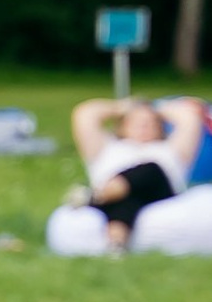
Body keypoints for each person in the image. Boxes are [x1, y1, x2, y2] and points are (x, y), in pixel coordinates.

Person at [67, 97, 206, 252]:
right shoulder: (107, 147)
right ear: (123, 125)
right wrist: (121, 107)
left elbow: (189, 118)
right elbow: (85, 114)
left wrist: (156, 107)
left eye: (150, 122)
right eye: (136, 121)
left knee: (151, 168)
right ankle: (116, 246)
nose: (144, 126)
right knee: (128, 199)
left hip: (159, 192)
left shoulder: (171, 150)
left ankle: (95, 197)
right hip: (123, 199)